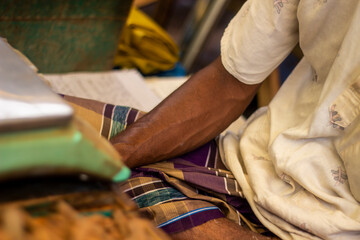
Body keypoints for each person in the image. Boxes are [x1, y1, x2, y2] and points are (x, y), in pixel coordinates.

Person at [76, 0, 360, 239]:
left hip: (324, 228)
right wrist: (108, 159)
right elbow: (230, 82)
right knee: (43, 127)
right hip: (246, 164)